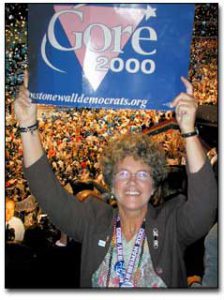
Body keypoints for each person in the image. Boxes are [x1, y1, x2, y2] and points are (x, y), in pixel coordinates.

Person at [14, 72, 217, 288]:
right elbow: (48, 193)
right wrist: (27, 125)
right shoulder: (93, 221)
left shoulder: (170, 225)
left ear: (154, 185)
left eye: (142, 174)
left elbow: (203, 206)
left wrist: (188, 131)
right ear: (111, 184)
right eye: (123, 173)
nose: (132, 182)